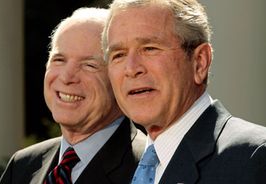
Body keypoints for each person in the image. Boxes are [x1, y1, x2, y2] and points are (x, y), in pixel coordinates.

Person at [102, 0, 266, 183]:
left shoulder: (254, 156)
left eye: (150, 49)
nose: (131, 69)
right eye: (118, 55)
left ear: (200, 62)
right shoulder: (120, 167)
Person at [0, 7, 146, 184]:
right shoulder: (23, 166)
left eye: (89, 65)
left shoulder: (148, 168)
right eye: (59, 60)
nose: (67, 77)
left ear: (121, 76)